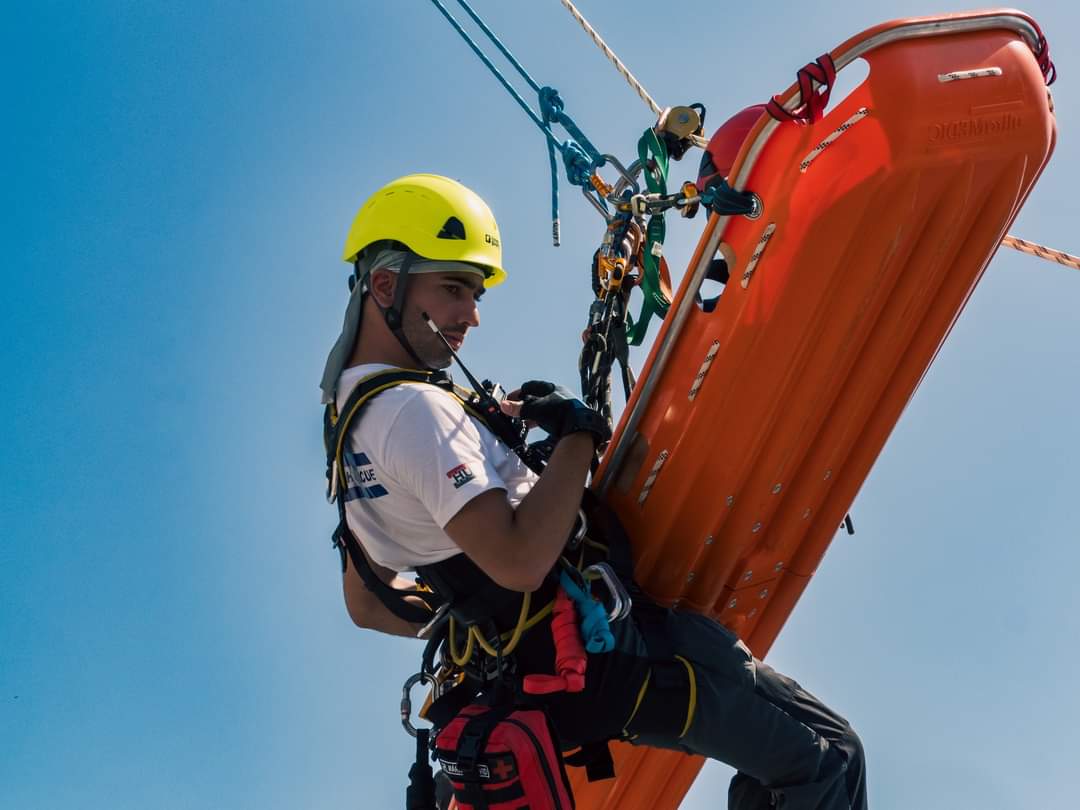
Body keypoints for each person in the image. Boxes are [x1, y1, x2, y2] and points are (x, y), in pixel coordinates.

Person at [320, 173, 868, 809]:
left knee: (829, 748)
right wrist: (577, 433)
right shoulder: (413, 413)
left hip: (582, 650)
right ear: (386, 286)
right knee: (819, 765)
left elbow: (368, 602)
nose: (471, 314)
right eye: (452, 288)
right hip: (606, 665)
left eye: (474, 293)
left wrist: (479, 614)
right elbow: (520, 561)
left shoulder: (351, 426)